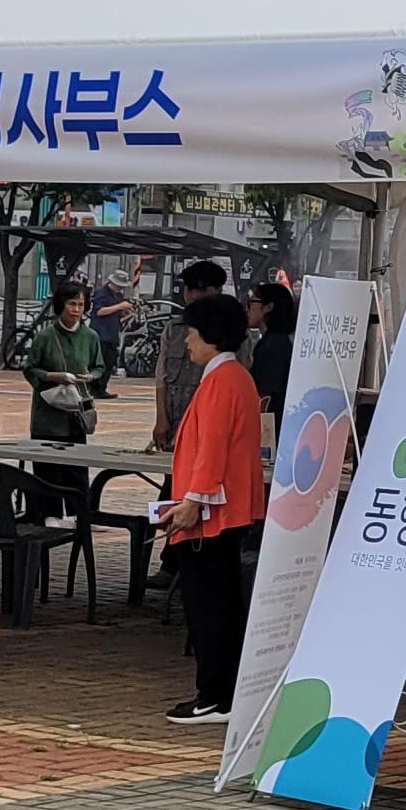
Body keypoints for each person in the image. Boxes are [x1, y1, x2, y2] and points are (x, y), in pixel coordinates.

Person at [160, 296, 267, 725]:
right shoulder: (234, 376)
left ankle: (214, 695)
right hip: (225, 508)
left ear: (210, 336)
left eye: (192, 333)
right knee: (220, 602)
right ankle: (222, 693)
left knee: (208, 606)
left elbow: (212, 448)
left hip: (212, 513)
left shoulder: (222, 380)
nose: (187, 341)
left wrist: (192, 501)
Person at [152, 257, 228, 450]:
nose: (195, 295)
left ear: (218, 290)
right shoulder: (174, 329)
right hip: (174, 421)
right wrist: (161, 419)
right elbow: (161, 378)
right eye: (190, 288)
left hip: (208, 427)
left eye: (202, 289)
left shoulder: (230, 332)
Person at [24, 279, 107, 445]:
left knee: (76, 459)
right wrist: (52, 376)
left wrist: (90, 377)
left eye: (81, 305)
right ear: (61, 304)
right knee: (45, 459)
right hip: (48, 417)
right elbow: (30, 369)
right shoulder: (45, 336)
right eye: (71, 304)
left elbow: (99, 367)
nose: (76, 309)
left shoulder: (90, 337)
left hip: (78, 414)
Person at [247, 281, 299, 428]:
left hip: (272, 426)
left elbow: (265, 397)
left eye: (251, 303)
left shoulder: (272, 346)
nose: (248, 309)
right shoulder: (279, 341)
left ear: (268, 307)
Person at [89, 271, 134, 382]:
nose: (120, 288)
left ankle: (103, 387)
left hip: (112, 334)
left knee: (109, 363)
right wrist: (120, 306)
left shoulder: (119, 296)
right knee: (98, 363)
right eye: (119, 286)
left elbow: (117, 314)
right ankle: (95, 387)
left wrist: (127, 313)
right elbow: (99, 311)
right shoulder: (101, 293)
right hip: (100, 334)